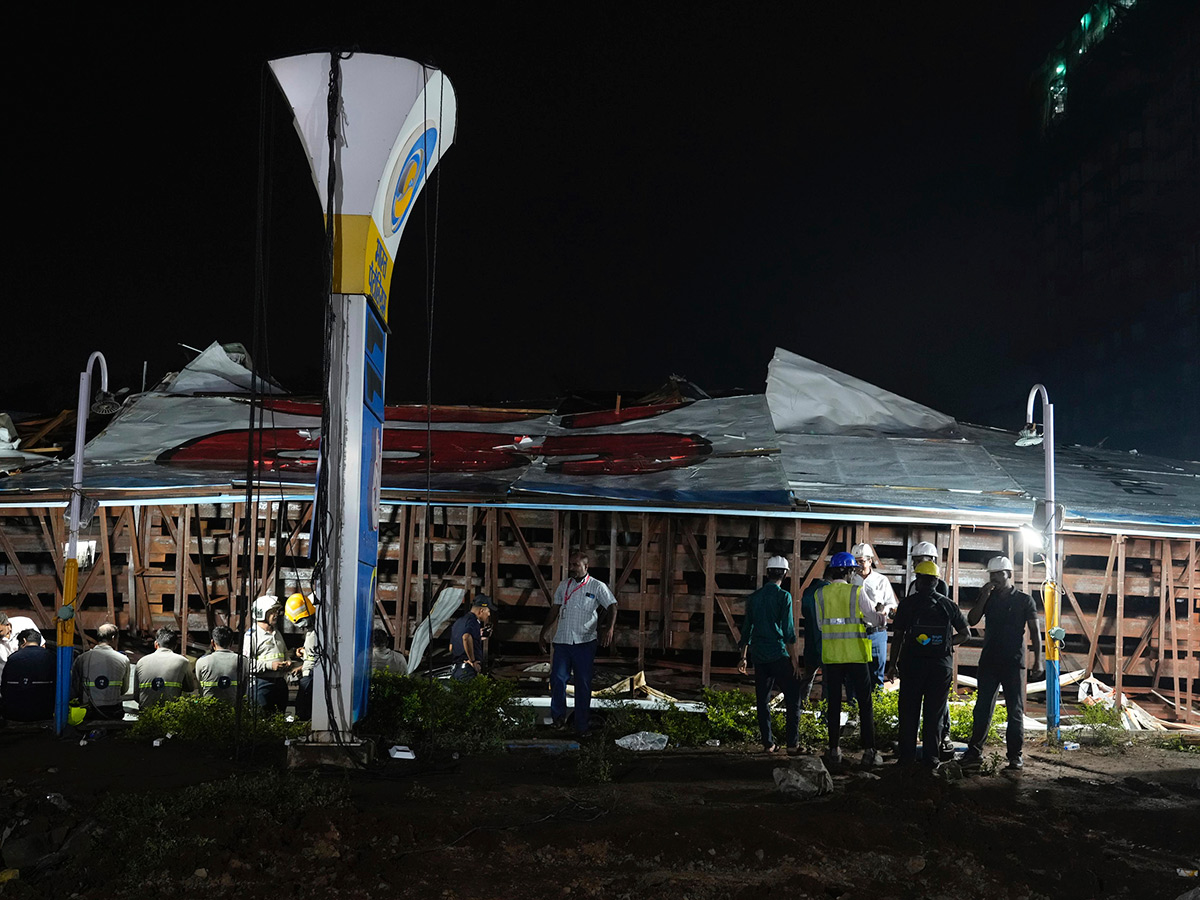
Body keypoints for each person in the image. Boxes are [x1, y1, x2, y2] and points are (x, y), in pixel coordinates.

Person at [961, 556, 1044, 771]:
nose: (994, 578)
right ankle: (974, 752)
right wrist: (983, 597)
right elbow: (971, 620)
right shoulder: (988, 597)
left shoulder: (1025, 600)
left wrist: (1038, 661)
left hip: (1013, 663)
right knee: (982, 708)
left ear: (1008, 574)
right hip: (989, 661)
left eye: (997, 574)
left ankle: (1015, 756)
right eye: (991, 575)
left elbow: (1035, 632)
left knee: (1014, 711)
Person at [887, 561, 971, 770]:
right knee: (934, 714)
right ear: (936, 581)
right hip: (940, 667)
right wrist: (947, 643)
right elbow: (966, 634)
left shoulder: (907, 604)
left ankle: (906, 759)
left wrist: (892, 665)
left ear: (917, 580)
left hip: (912, 665)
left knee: (908, 712)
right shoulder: (948, 604)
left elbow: (897, 636)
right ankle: (931, 760)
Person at [816, 551, 887, 770]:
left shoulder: (820, 595)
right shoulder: (856, 592)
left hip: (833, 656)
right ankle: (869, 752)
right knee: (865, 703)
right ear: (849, 571)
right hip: (856, 655)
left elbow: (821, 625)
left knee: (834, 704)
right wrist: (881, 615)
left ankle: (835, 751)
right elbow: (874, 619)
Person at [538, 551, 617, 736]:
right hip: (563, 641)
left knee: (583, 684)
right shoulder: (564, 586)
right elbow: (555, 609)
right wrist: (543, 632)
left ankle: (581, 726)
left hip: (584, 642)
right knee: (557, 679)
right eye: (571, 564)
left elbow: (613, 605)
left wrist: (609, 628)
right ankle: (558, 720)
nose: (572, 568)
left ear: (586, 567)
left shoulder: (597, 586)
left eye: (576, 565)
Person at [737, 556, 801, 753]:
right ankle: (792, 744)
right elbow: (788, 631)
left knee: (762, 701)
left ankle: (768, 744)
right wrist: (794, 661)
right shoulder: (784, 597)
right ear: (785, 574)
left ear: (767, 573)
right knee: (793, 697)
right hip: (778, 653)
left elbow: (747, 629)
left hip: (759, 656)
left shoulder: (754, 598)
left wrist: (743, 657)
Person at [906, 540, 953, 759]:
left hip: (927, 653)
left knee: (935, 707)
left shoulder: (937, 586)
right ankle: (931, 750)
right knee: (935, 704)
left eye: (917, 559)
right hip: (929, 654)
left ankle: (943, 737)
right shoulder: (919, 583)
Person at [850, 543, 899, 689]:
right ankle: (854, 709)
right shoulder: (850, 580)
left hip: (876, 633)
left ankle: (875, 710)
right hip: (855, 632)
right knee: (854, 676)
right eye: (855, 561)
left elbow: (892, 604)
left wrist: (885, 609)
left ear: (870, 560)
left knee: (877, 675)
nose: (858, 565)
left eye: (862, 561)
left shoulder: (881, 580)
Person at [70, 623, 132, 721]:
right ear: (113, 638)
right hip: (113, 711)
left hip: (88, 711)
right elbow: (124, 689)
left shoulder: (82, 658)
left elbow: (75, 688)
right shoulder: (123, 659)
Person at [243, 595, 292, 714]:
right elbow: (246, 664)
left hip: (279, 683)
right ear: (261, 613)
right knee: (261, 719)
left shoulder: (276, 633)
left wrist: (288, 660)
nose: (276, 614)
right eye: (271, 612)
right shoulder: (252, 636)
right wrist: (270, 665)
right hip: (261, 684)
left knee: (279, 718)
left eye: (276, 611)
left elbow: (284, 652)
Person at [135, 627, 198, 710]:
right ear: (175, 646)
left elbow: (136, 696)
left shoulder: (141, 662)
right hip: (171, 713)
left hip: (146, 715)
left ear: (156, 644)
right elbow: (189, 688)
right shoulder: (183, 662)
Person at [0, 629, 55, 721]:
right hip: (44, 713)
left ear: (24, 641)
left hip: (15, 714)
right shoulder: (51, 657)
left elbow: (4, 687)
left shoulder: (13, 658)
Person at [798, 574, 831, 703]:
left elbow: (804, 613)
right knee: (827, 682)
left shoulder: (808, 591)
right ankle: (826, 715)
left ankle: (800, 706)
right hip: (826, 642)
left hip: (810, 641)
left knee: (807, 678)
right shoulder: (829, 592)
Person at [284, 593, 317, 719]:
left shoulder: (314, 632)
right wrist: (303, 662)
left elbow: (316, 657)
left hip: (312, 677)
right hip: (310, 673)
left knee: (302, 711)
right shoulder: (313, 630)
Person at [449, 595, 493, 681]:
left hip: (456, 669)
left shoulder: (459, 622)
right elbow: (466, 637)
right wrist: (472, 661)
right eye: (488, 611)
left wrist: (477, 637)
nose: (489, 614)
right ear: (481, 610)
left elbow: (451, 647)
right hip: (467, 670)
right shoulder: (473, 621)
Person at [196, 625, 241, 703]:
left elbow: (200, 687)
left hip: (209, 707)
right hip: (234, 709)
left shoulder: (202, 661)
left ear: (212, 643)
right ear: (232, 643)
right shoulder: (242, 660)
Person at [0, 612, 40, 684]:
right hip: (5, 679)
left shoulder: (24, 623)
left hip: (28, 675)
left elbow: (40, 645)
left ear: (7, 625)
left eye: (0, 631)